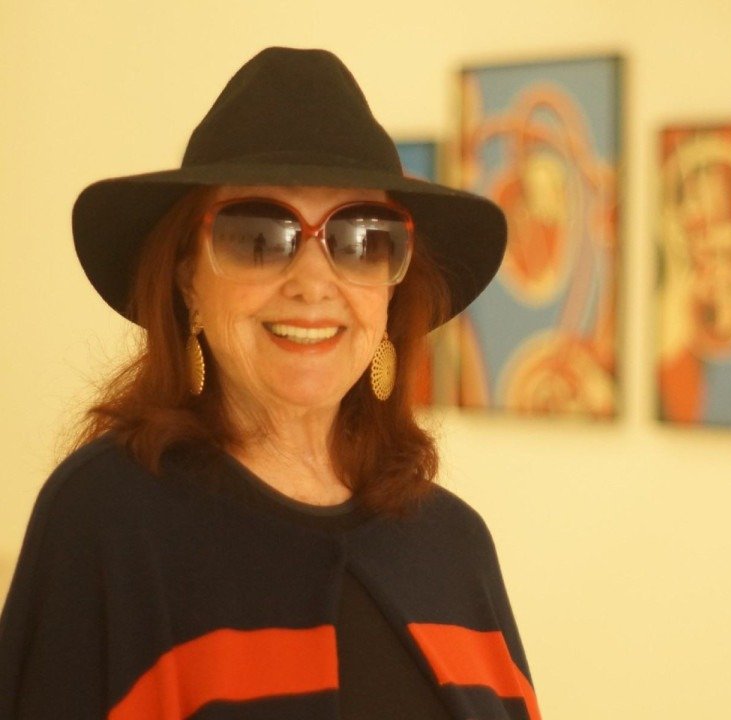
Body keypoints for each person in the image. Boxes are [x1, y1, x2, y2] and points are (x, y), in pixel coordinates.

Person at [0, 47, 541, 720]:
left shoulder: (454, 545)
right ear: (187, 280)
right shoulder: (106, 521)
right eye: (258, 235)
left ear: (391, 292)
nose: (313, 284)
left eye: (360, 239)